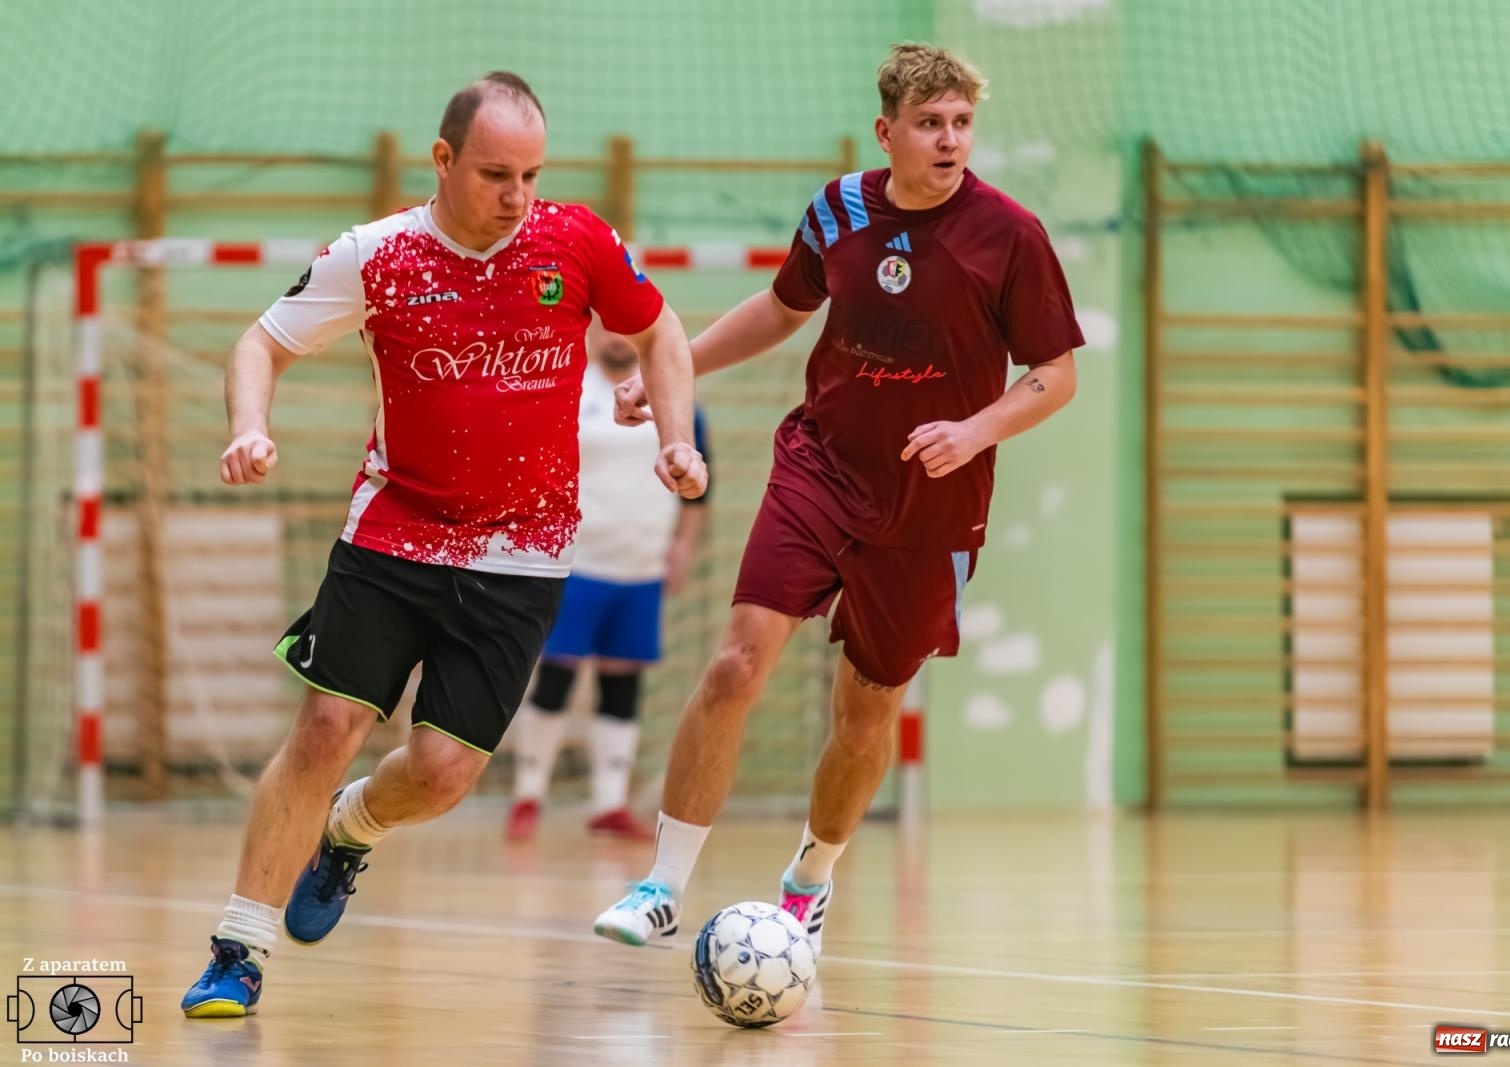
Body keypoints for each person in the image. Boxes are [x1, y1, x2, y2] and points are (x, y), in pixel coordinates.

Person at [180, 70, 706, 1019]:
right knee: (325, 727)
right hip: (394, 532)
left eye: (532, 175)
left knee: (442, 774)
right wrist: (248, 425)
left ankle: (350, 831)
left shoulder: (576, 241)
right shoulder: (377, 254)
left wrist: (675, 438)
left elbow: (663, 333)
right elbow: (260, 344)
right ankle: (237, 949)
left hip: (524, 553)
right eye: (497, 174)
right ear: (443, 158)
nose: (518, 196)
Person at [592, 43, 1082, 952]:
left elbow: (1055, 374)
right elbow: (782, 309)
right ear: (886, 132)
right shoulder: (839, 210)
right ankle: (662, 884)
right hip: (818, 467)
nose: (949, 140)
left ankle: (809, 881)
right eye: (929, 124)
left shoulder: (1010, 235)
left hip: (931, 507)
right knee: (736, 663)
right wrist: (672, 373)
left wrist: (975, 430)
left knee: (865, 711)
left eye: (962, 123)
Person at [504, 325, 711, 841]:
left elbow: (699, 489)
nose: (618, 339)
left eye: (628, 330)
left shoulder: (676, 397)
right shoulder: (570, 391)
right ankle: (528, 795)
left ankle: (609, 804)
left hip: (642, 567)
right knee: (556, 674)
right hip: (577, 563)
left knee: (623, 680)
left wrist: (683, 547)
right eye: (608, 329)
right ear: (593, 334)